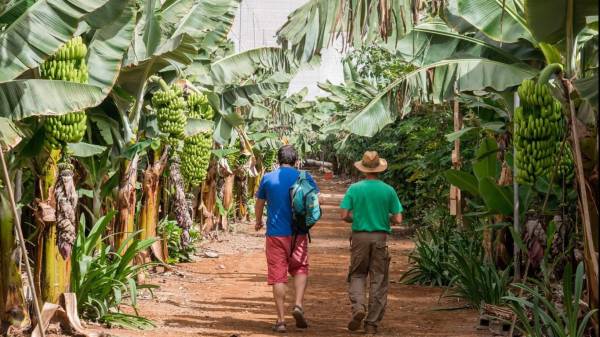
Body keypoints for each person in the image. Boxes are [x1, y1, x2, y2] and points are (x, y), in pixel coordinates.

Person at [255, 145, 319, 333]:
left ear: (278, 160)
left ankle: (281, 320)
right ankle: (298, 305)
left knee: (278, 275)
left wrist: (258, 221)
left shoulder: (268, 178)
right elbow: (315, 202)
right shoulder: (305, 177)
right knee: (300, 268)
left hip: (276, 233)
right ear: (296, 160)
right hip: (299, 233)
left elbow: (259, 204)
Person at [340, 151, 403, 335]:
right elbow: (398, 219)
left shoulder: (354, 189)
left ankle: (358, 307)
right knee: (379, 280)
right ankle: (371, 324)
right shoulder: (388, 190)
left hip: (359, 237)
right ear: (379, 169)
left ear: (363, 169)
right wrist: (383, 218)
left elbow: (344, 215)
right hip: (380, 239)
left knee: (357, 275)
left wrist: (358, 217)